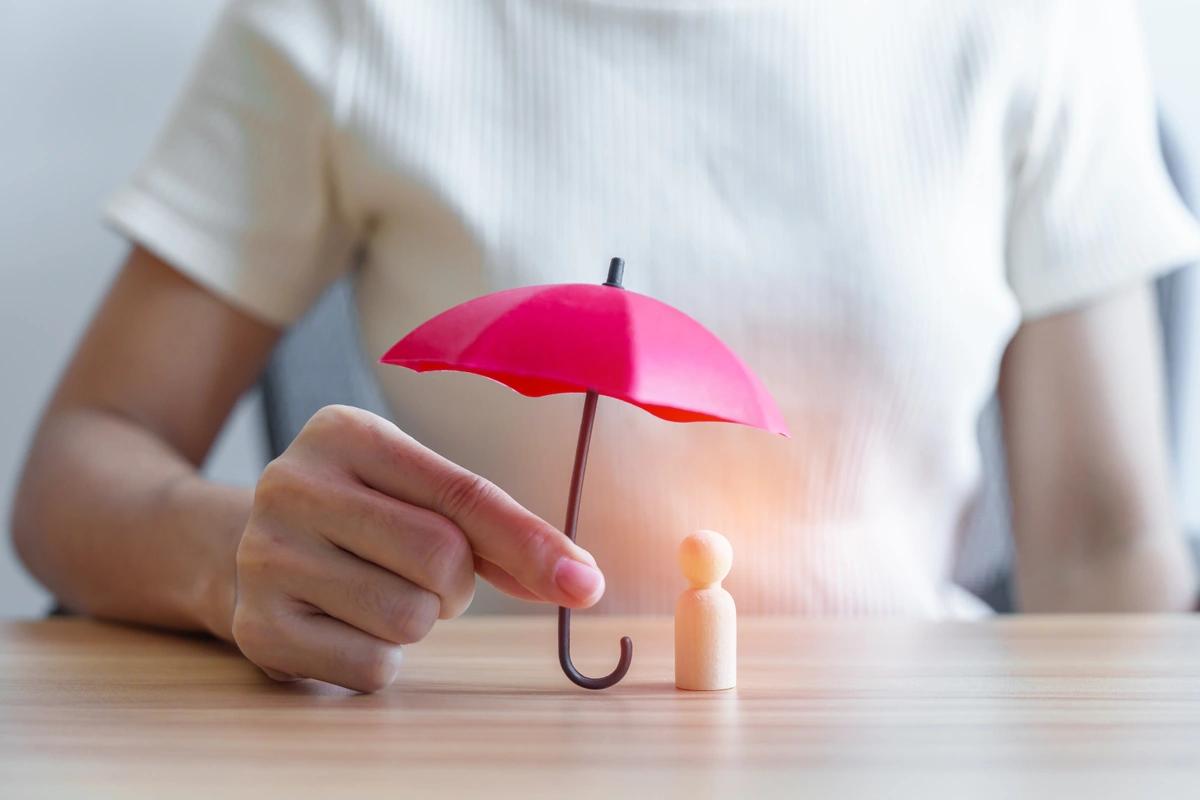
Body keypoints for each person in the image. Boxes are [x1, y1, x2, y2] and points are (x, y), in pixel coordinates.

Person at [12, 0, 1200, 692]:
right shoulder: (351, 20)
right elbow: (82, 462)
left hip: (913, 743)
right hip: (466, 748)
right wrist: (231, 556)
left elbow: (1106, 550)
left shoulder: (1045, 22)